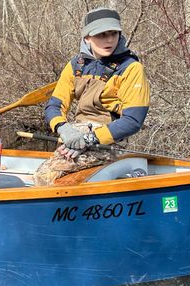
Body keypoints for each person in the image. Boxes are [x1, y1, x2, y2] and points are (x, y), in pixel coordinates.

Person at [33, 7, 150, 186]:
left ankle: (125, 180)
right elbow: (54, 106)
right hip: (76, 134)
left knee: (47, 178)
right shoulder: (75, 65)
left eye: (113, 33)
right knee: (45, 176)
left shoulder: (131, 68)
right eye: (101, 35)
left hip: (110, 139)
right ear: (87, 37)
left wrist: (90, 139)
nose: (109, 40)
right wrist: (64, 129)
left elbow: (133, 121)